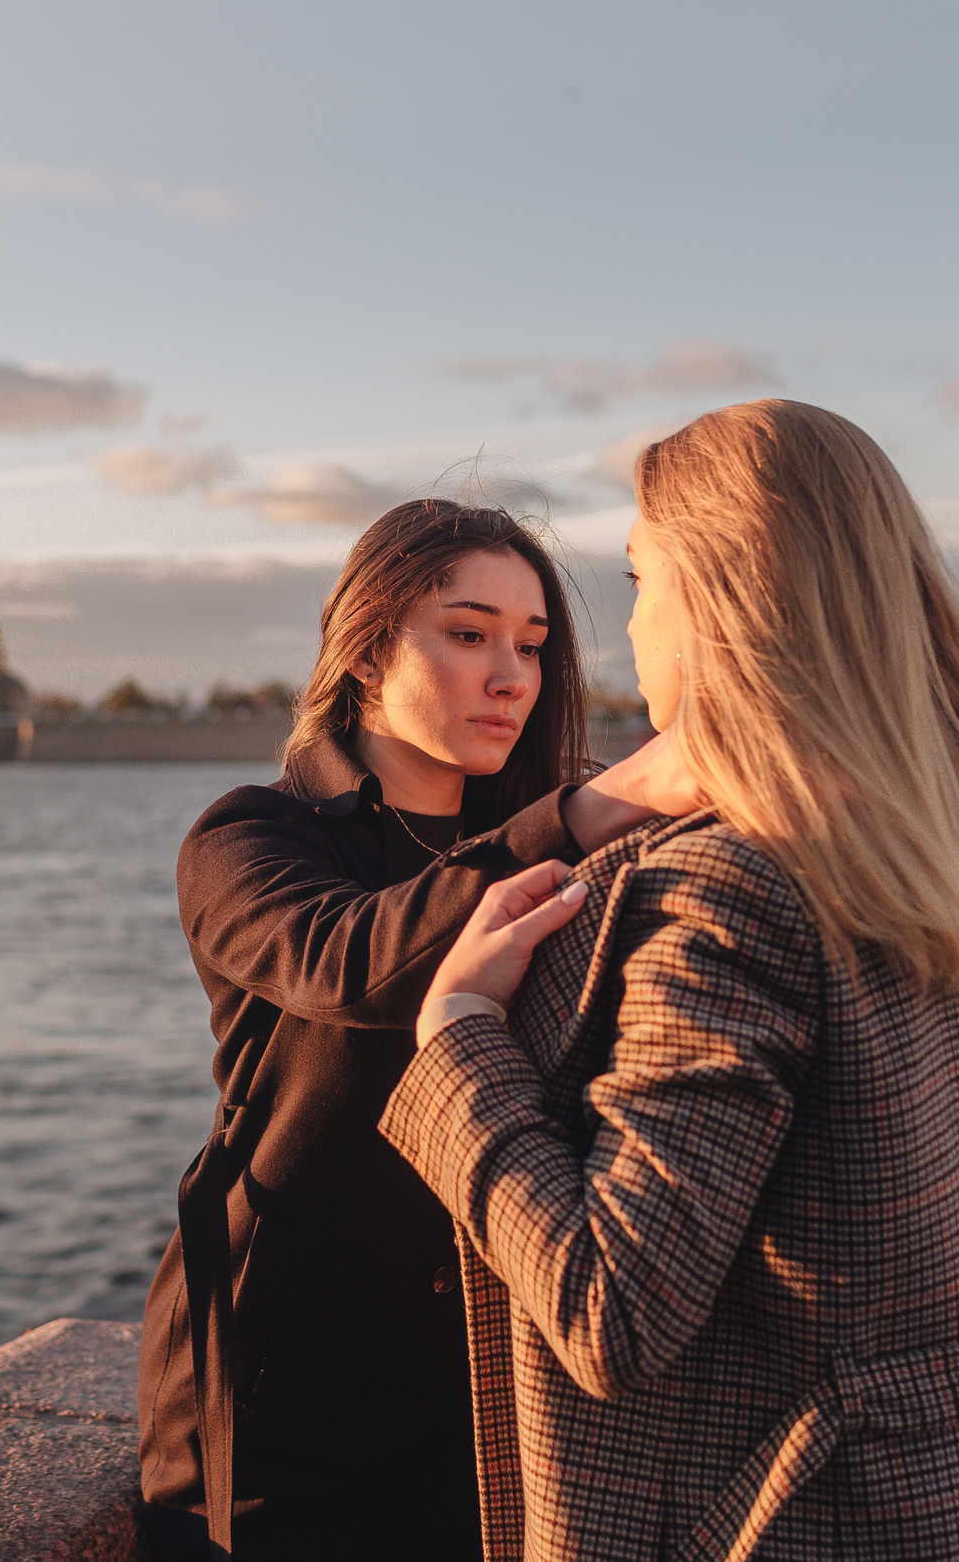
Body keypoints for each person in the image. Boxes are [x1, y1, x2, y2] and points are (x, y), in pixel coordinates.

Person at [382, 401, 959, 1561]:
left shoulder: (732, 884)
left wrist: (459, 1035)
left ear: (712, 594)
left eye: (638, 580)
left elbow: (608, 1312)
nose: (631, 624)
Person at [139, 499, 701, 1561]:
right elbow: (346, 959)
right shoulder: (250, 836)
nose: (512, 677)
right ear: (365, 652)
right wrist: (601, 805)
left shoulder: (570, 839)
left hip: (489, 1389)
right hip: (279, 1403)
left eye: (531, 645)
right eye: (469, 633)